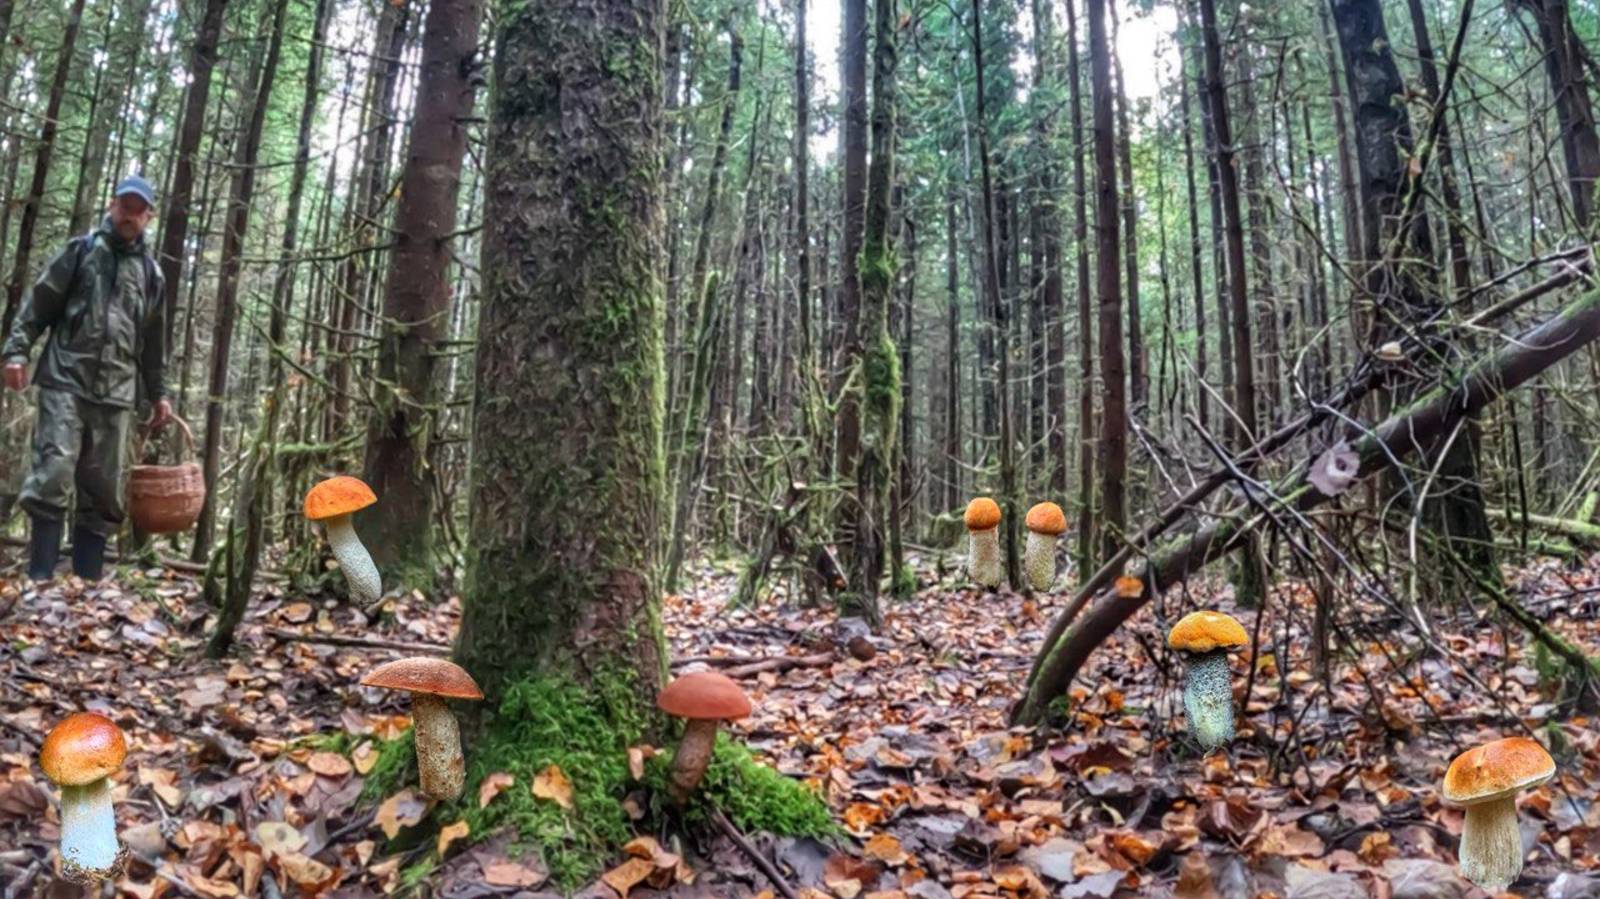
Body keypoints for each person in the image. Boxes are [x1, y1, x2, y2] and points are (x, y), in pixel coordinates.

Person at [3, 175, 172, 582]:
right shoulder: (80, 252)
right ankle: (40, 578)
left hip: (117, 393)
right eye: (124, 206)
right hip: (65, 380)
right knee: (54, 472)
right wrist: (15, 351)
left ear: (148, 216)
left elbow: (153, 344)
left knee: (103, 489)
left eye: (138, 209)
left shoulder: (152, 276)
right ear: (112, 206)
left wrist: (159, 394)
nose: (129, 215)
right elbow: (38, 306)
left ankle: (87, 583)